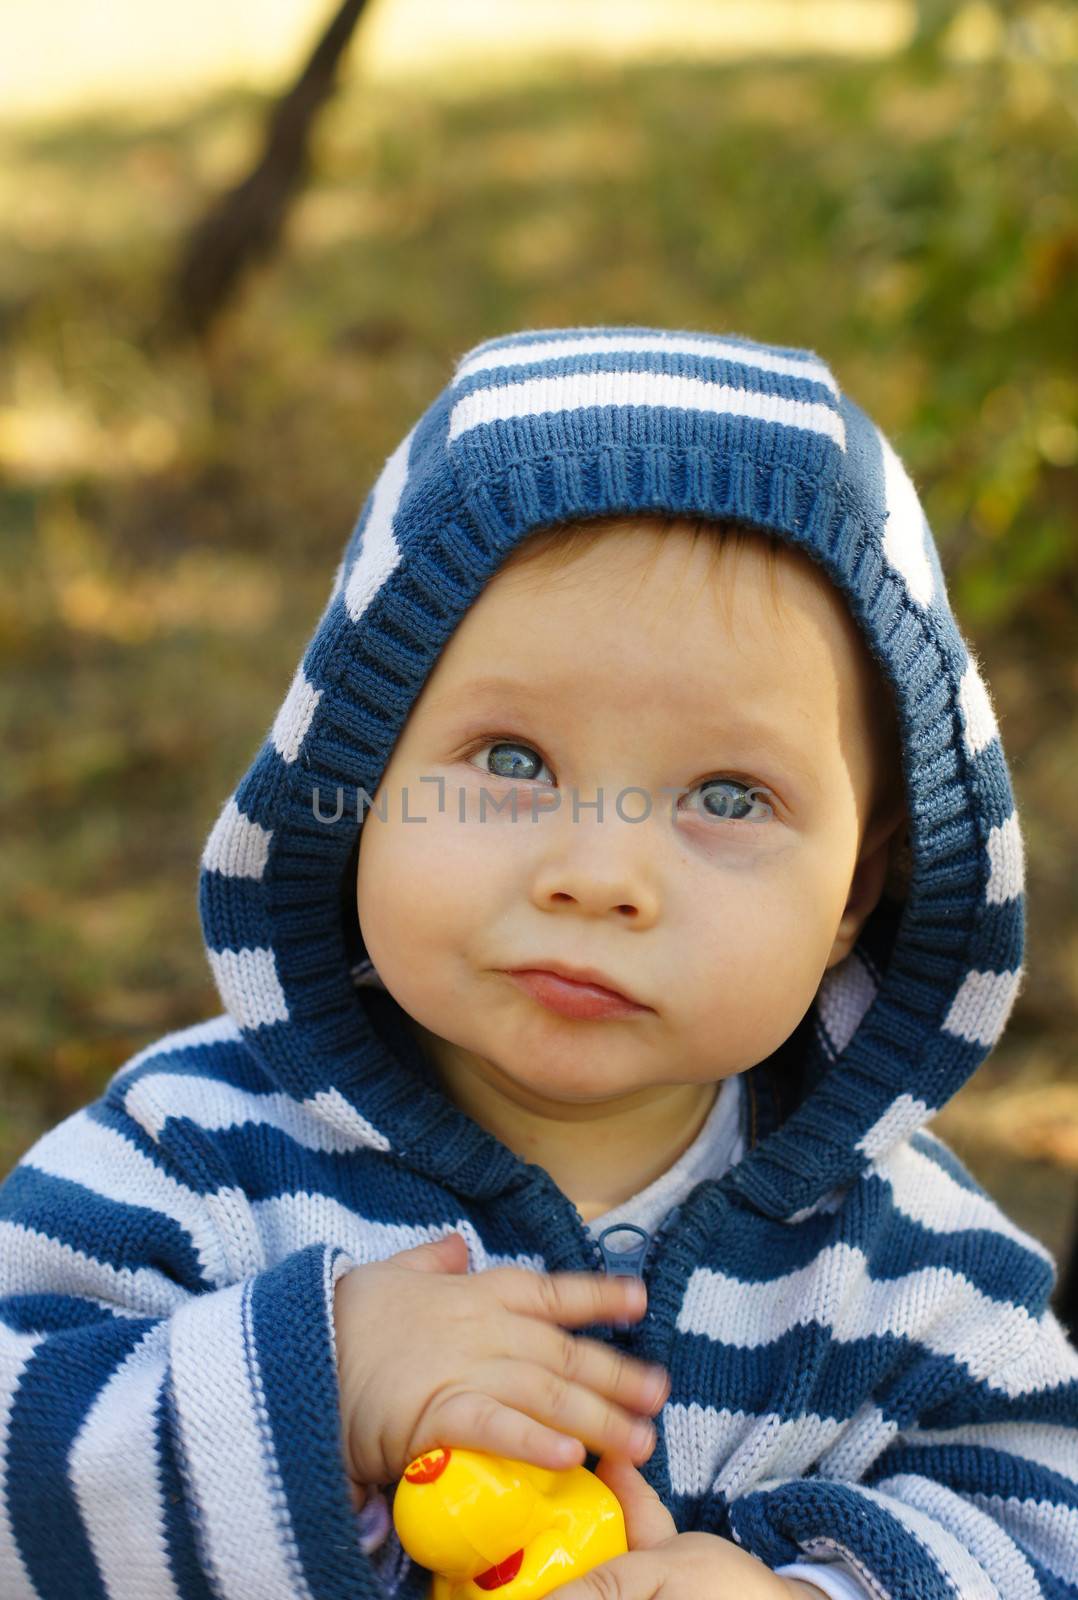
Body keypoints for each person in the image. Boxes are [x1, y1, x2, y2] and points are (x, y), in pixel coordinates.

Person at [1, 325, 1075, 1600]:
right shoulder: (194, 1164)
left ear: (857, 890)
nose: (598, 874)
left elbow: (1044, 1537)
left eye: (727, 797)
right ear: (358, 775)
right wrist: (313, 1385)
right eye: (511, 763)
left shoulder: (913, 1276)